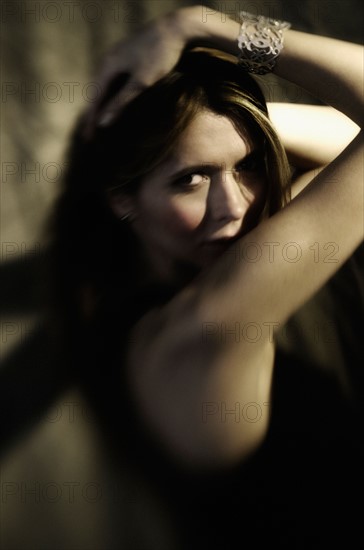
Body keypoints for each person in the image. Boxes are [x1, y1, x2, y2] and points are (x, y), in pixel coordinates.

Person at [47, 4, 363, 547]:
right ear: (122, 198)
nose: (233, 206)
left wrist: (210, 119)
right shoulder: (201, 326)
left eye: (249, 168)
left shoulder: (138, 311)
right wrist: (198, 25)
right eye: (190, 180)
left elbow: (348, 140)